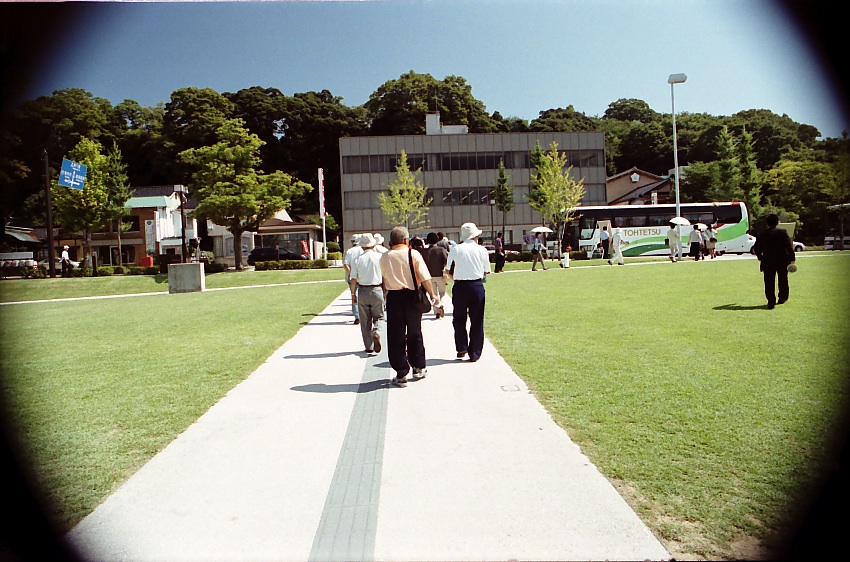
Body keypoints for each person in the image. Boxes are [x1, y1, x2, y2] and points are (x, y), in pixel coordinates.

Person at [380, 226, 441, 387]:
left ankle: (401, 372)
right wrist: (432, 294)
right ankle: (418, 367)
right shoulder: (412, 254)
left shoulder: (384, 257)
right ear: (406, 240)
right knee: (415, 332)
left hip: (394, 298)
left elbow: (384, 279)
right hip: (412, 297)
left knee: (395, 335)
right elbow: (424, 277)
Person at [446, 223, 491, 362]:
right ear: (475, 236)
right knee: (476, 320)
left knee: (459, 318)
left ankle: (461, 347)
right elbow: (486, 271)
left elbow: (447, 269)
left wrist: (455, 278)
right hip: (476, 285)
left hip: (460, 286)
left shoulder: (456, 249)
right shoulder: (482, 250)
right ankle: (475, 352)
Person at [349, 234, 385, 355]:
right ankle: (377, 332)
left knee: (365, 321)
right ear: (373, 244)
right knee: (379, 316)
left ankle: (369, 346)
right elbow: (385, 275)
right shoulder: (380, 257)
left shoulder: (357, 259)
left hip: (363, 290)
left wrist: (353, 294)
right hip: (377, 289)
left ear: (362, 246)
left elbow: (353, 278)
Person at [751, 213, 796, 309]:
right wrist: (792, 258)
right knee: (783, 280)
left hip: (768, 260)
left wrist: (760, 257)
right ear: (777, 222)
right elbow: (788, 246)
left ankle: (771, 301)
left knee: (769, 281)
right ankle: (782, 297)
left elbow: (756, 248)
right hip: (782, 260)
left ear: (767, 223)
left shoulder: (762, 235)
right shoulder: (782, 232)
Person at [423, 232, 448, 318]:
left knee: (433, 294)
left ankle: (436, 311)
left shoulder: (425, 252)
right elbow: (446, 261)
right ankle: (441, 304)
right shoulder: (441, 250)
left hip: (429, 276)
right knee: (442, 293)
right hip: (440, 275)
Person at [343, 234, 364, 323]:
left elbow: (345, 264)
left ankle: (357, 315)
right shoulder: (363, 250)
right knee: (363, 296)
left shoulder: (349, 251)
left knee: (353, 295)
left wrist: (351, 274)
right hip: (362, 276)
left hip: (352, 277)